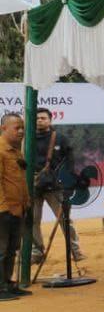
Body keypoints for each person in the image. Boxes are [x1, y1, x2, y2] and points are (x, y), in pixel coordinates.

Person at [30, 107, 84, 263]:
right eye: (36, 118)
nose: (39, 120)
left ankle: (75, 251)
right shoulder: (26, 139)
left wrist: (68, 180)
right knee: (33, 221)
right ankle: (37, 252)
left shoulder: (60, 138)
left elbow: (70, 161)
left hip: (55, 187)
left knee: (65, 220)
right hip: (33, 187)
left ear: (50, 120)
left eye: (42, 118)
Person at [0, 114, 30, 298]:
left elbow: (19, 181)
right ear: (4, 128)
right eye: (16, 128)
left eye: (22, 128)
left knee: (12, 249)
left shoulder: (16, 151)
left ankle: (8, 284)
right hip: (4, 210)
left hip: (18, 209)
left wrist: (26, 203)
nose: (20, 131)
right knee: (1, 250)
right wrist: (3, 209)